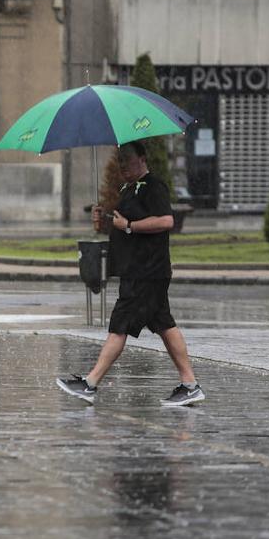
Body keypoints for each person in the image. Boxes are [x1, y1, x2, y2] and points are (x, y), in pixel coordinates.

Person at [57, 141, 205, 407]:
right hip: (139, 270)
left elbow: (166, 221)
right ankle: (190, 385)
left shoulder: (153, 187)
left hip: (146, 271)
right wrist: (104, 222)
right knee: (164, 325)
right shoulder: (128, 189)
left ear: (142, 159)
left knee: (120, 325)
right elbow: (122, 226)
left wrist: (129, 226)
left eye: (127, 159)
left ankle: (90, 383)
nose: (123, 165)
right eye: (120, 160)